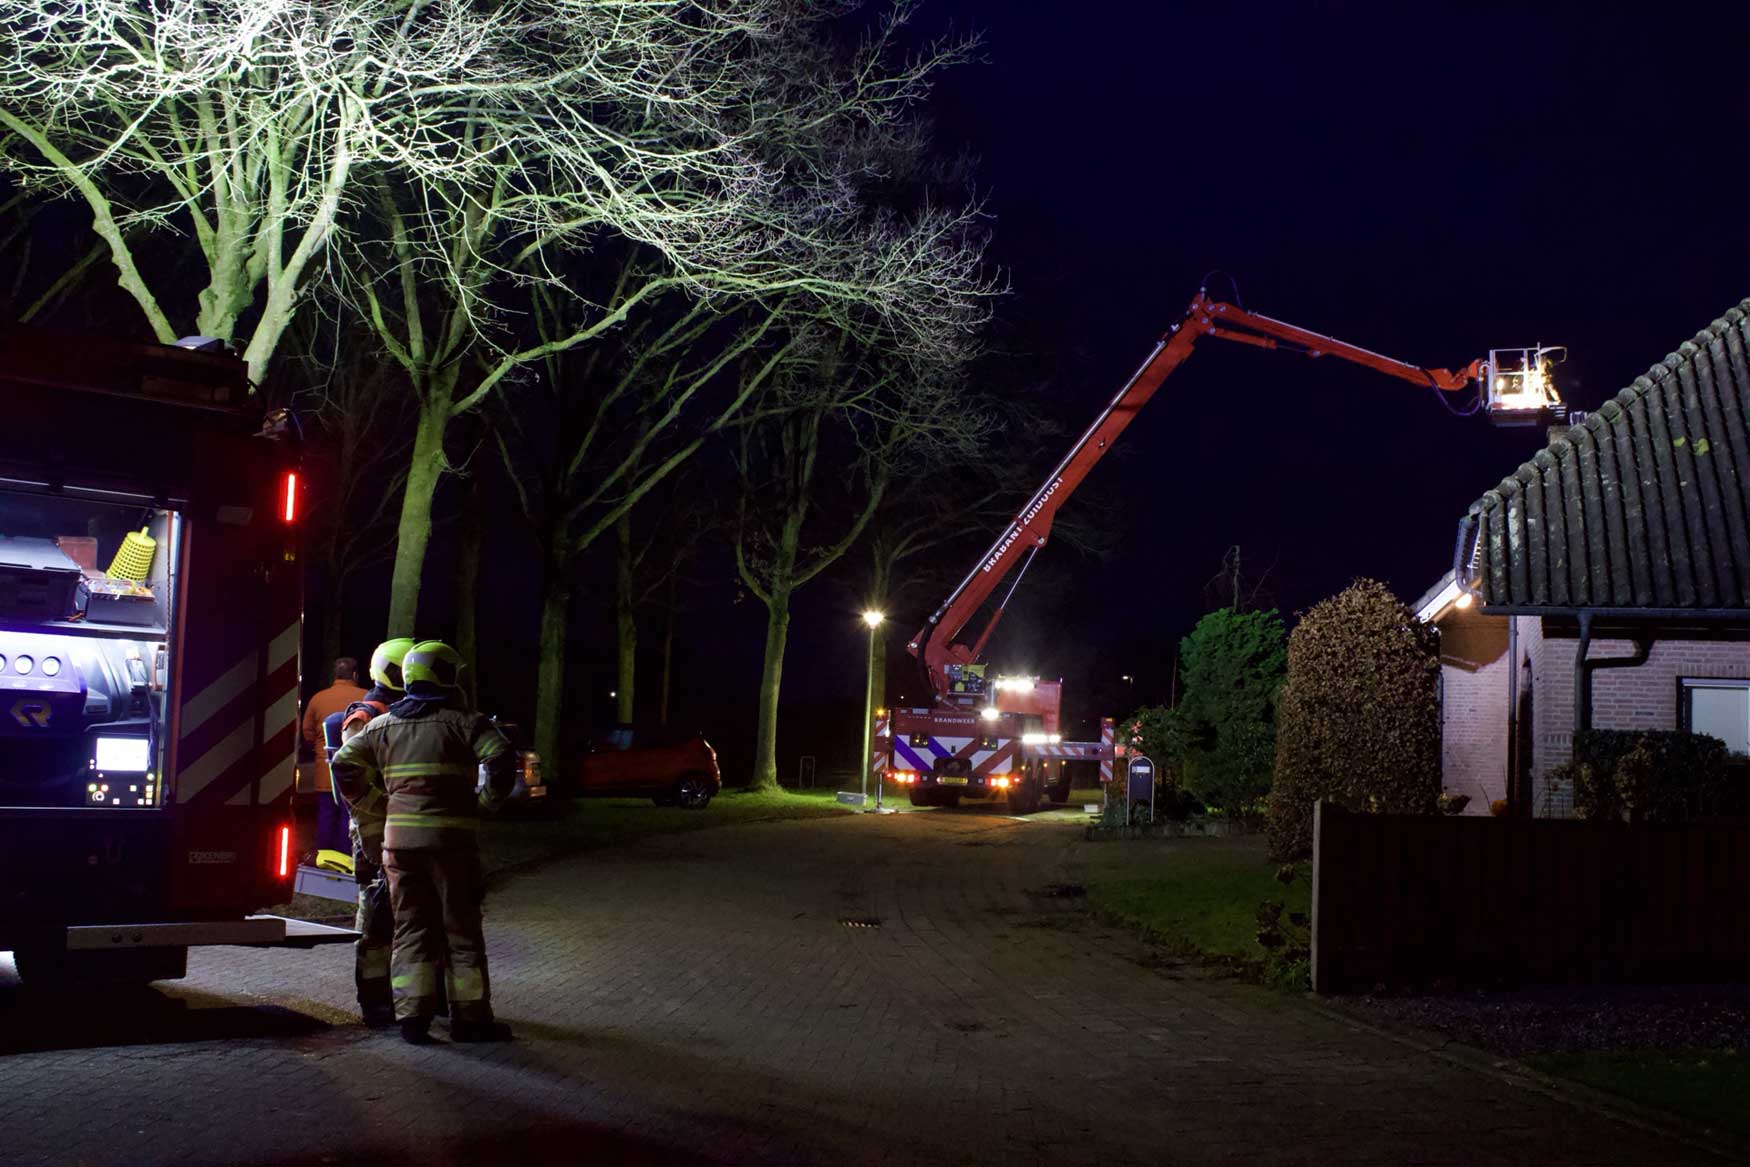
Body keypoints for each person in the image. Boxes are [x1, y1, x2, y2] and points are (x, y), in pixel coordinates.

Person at [330, 640, 516, 1044]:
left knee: (410, 930)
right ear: (447, 676)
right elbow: (501, 759)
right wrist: (484, 804)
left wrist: (378, 805)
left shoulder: (382, 725)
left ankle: (412, 1020)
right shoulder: (467, 722)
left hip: (399, 846)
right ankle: (470, 1020)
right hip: (452, 844)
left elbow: (342, 763)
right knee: (461, 932)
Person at [322, 637, 415, 1028]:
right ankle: (374, 1003)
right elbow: (349, 773)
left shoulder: (399, 710)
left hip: (399, 826)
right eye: (403, 670)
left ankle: (407, 998)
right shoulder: (366, 714)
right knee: (376, 917)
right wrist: (385, 805)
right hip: (376, 829)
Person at [301, 657, 367, 852]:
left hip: (326, 770)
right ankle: (345, 857)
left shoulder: (318, 698)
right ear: (355, 675)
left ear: (335, 675)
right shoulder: (366, 697)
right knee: (349, 814)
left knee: (326, 814)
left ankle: (324, 857)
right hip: (355, 770)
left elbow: (307, 732)